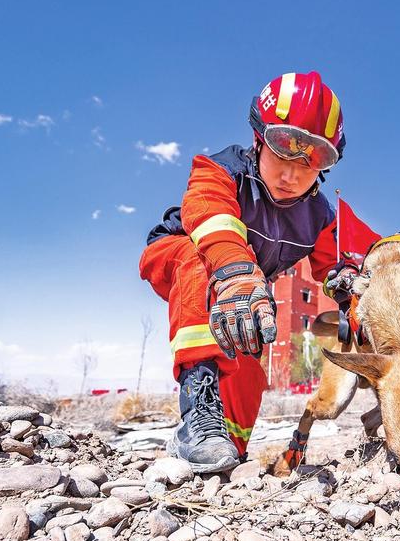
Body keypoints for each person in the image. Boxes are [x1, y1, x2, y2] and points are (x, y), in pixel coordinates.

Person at [139, 71, 373, 472]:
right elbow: (211, 217)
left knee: (247, 353)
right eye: (283, 149)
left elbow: (346, 258)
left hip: (245, 289)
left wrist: (352, 278)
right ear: (259, 139)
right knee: (202, 264)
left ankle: (227, 449)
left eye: (312, 159)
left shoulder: (319, 214)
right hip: (182, 257)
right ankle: (196, 417)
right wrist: (236, 273)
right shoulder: (219, 170)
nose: (292, 174)